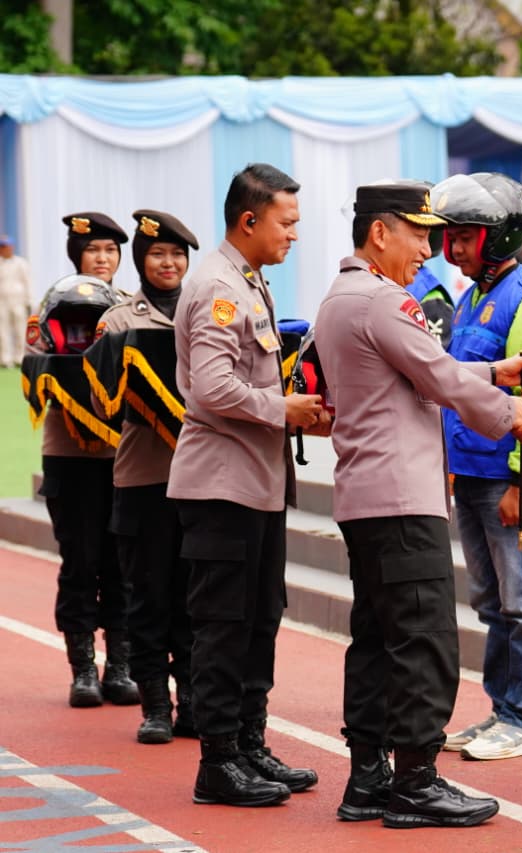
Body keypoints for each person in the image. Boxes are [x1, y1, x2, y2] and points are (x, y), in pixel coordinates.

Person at [315, 181, 522, 828]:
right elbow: (436, 377)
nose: (427, 249)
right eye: (417, 234)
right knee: (424, 640)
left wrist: (493, 371)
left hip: (366, 494)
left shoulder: (343, 296)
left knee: (375, 640)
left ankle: (368, 777)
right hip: (401, 497)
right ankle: (415, 780)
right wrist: (511, 411)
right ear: (379, 232)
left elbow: (414, 373)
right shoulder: (386, 300)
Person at [168, 163, 324, 808]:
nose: (294, 235)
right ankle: (218, 761)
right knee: (224, 625)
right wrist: (281, 409)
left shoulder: (248, 280)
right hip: (221, 485)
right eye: (286, 223)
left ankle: (249, 744)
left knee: (260, 619)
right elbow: (211, 387)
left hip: (255, 483)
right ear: (249, 220)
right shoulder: (217, 287)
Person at [429, 172, 522, 761]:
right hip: (473, 472)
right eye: (451, 237)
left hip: (510, 477)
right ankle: (500, 708)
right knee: (492, 602)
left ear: (499, 237)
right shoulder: (470, 298)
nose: (455, 248)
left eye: (466, 237)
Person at [92, 210, 200, 744]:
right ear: (141, 260)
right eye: (158, 254)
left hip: (200, 477)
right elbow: (101, 404)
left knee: (194, 596)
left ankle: (194, 702)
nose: (169, 263)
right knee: (149, 596)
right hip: (143, 478)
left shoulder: (204, 311)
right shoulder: (118, 321)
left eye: (178, 255)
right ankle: (156, 706)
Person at [39, 212, 139, 710]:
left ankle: (119, 665)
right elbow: (37, 369)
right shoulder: (53, 305)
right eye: (93, 250)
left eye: (110, 250)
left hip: (123, 456)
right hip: (70, 454)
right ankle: (82, 670)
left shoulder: (131, 309)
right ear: (76, 255)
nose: (102, 259)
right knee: (79, 561)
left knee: (122, 564)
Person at [0, 235, 31, 368]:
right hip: (2, 300)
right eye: (2, 247)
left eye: (7, 246)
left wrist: (28, 301)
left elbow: (27, 282)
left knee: (20, 329)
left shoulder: (20, 263)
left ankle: (20, 357)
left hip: (18, 299)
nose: (5, 249)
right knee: (3, 330)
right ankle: (5, 358)